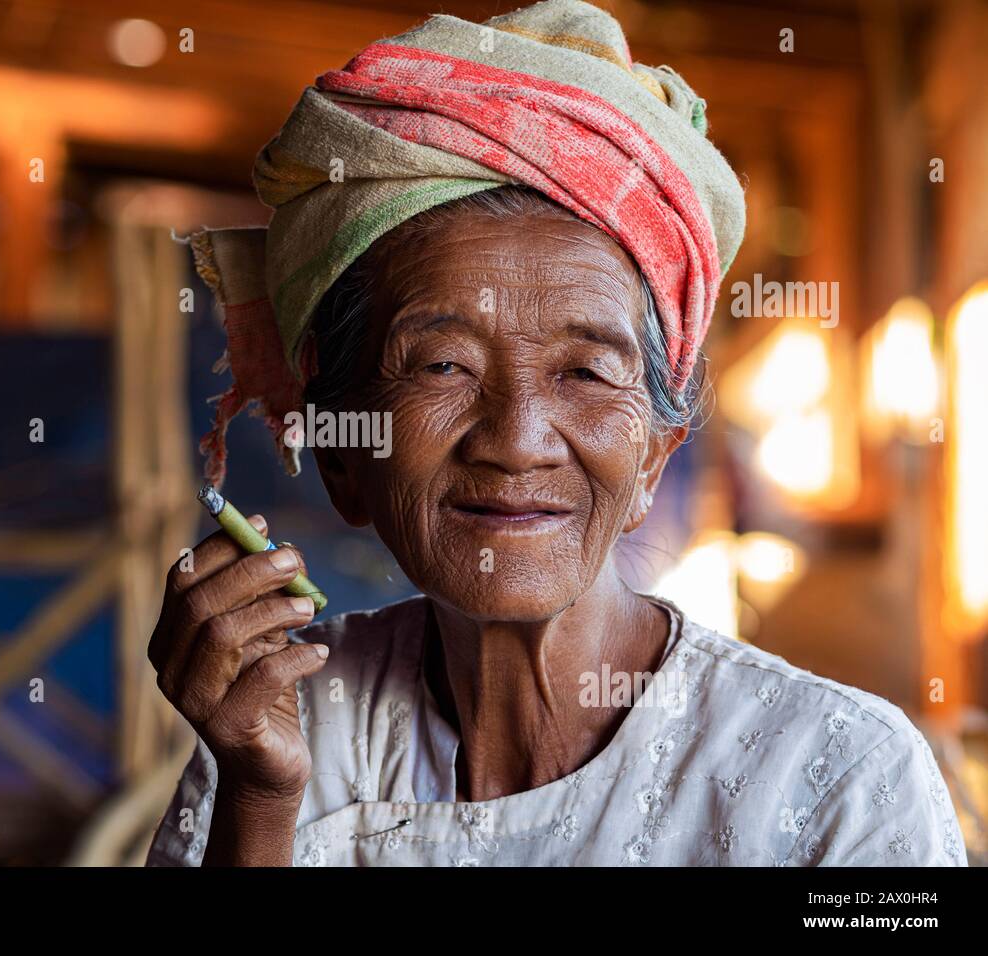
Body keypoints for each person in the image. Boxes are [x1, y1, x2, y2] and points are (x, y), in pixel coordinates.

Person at [144, 0, 968, 866]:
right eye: (442, 367)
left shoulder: (839, 780)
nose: (518, 439)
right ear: (343, 454)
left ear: (654, 456)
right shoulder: (280, 725)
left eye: (585, 372)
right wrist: (261, 803)